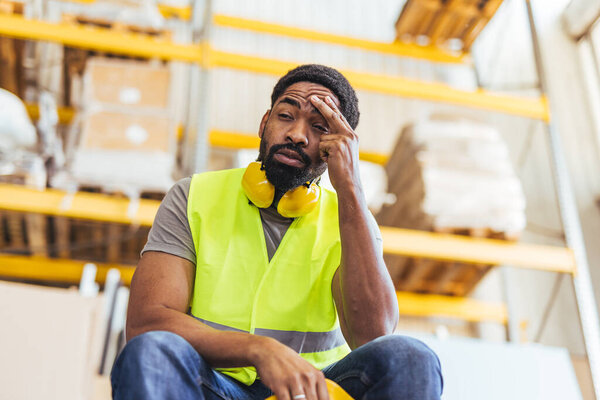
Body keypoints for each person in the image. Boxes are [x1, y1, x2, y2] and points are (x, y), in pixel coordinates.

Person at [110, 64, 443, 400]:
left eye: (318, 127)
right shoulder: (193, 195)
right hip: (213, 386)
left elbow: (374, 336)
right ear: (264, 124)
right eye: (286, 115)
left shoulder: (351, 219)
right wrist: (258, 349)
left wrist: (351, 189)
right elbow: (146, 323)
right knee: (153, 351)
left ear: (337, 147)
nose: (297, 134)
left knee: (411, 357)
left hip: (312, 392)